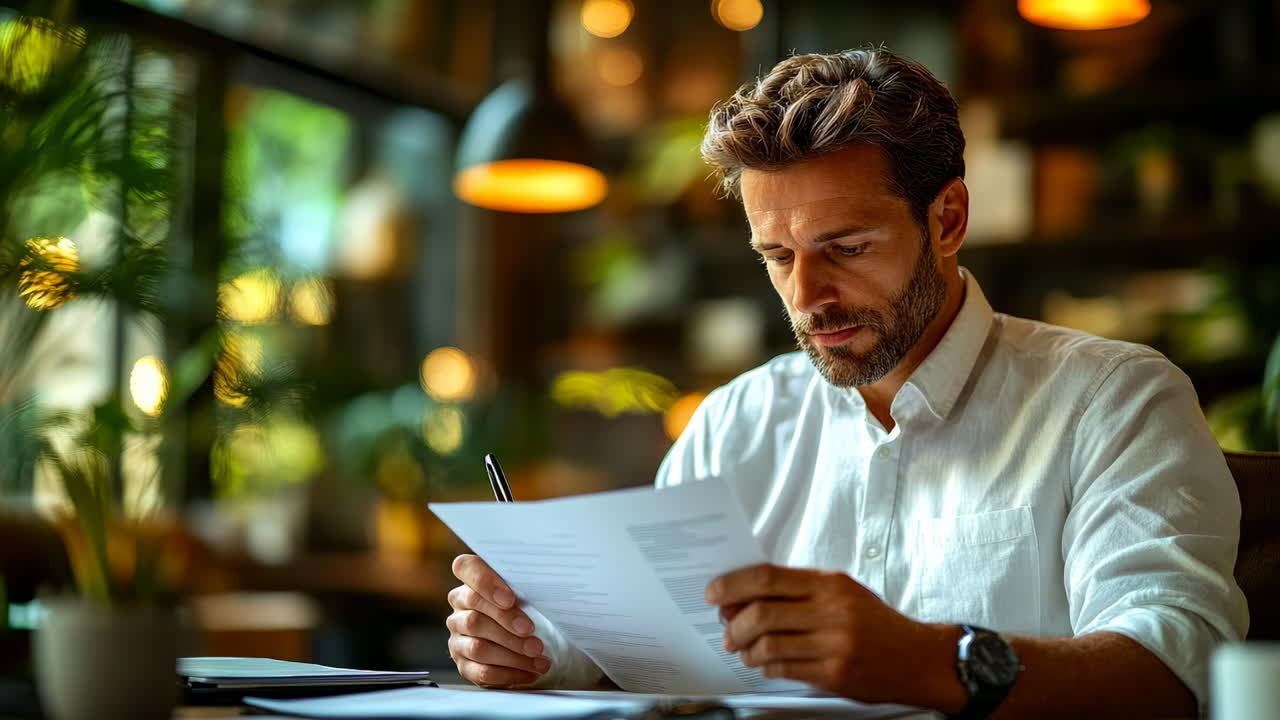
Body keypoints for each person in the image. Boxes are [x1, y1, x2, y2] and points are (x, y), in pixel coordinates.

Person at [445, 47, 1248, 718]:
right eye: (778, 257)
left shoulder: (1113, 400)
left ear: (948, 219)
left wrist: (932, 658)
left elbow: (1177, 668)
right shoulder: (734, 422)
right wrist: (535, 648)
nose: (807, 296)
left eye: (848, 247)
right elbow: (645, 647)